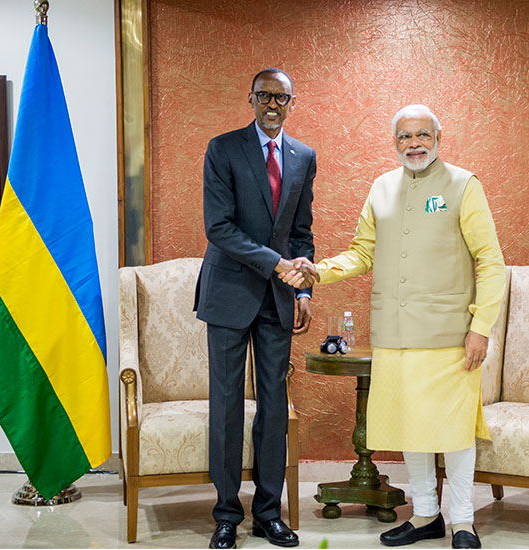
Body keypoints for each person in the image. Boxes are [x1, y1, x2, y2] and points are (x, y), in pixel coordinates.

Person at [282, 104, 506, 549]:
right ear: (395, 143)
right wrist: (318, 272)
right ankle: (426, 515)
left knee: (454, 429)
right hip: (395, 333)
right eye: (405, 137)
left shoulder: (464, 185)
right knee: (412, 427)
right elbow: (362, 253)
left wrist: (480, 327)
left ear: (439, 137)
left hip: (449, 335)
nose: (415, 143)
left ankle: (462, 520)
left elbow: (491, 263)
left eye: (423, 134)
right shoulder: (381, 188)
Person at [195, 67, 319, 549]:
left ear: (292, 103)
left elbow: (302, 231)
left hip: (279, 299)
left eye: (281, 98)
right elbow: (218, 228)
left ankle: (268, 513)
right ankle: (226, 514)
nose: (272, 105)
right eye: (264, 96)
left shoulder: (303, 156)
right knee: (226, 407)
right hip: (228, 294)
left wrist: (304, 288)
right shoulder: (222, 148)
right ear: (250, 99)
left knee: (274, 407)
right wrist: (277, 265)